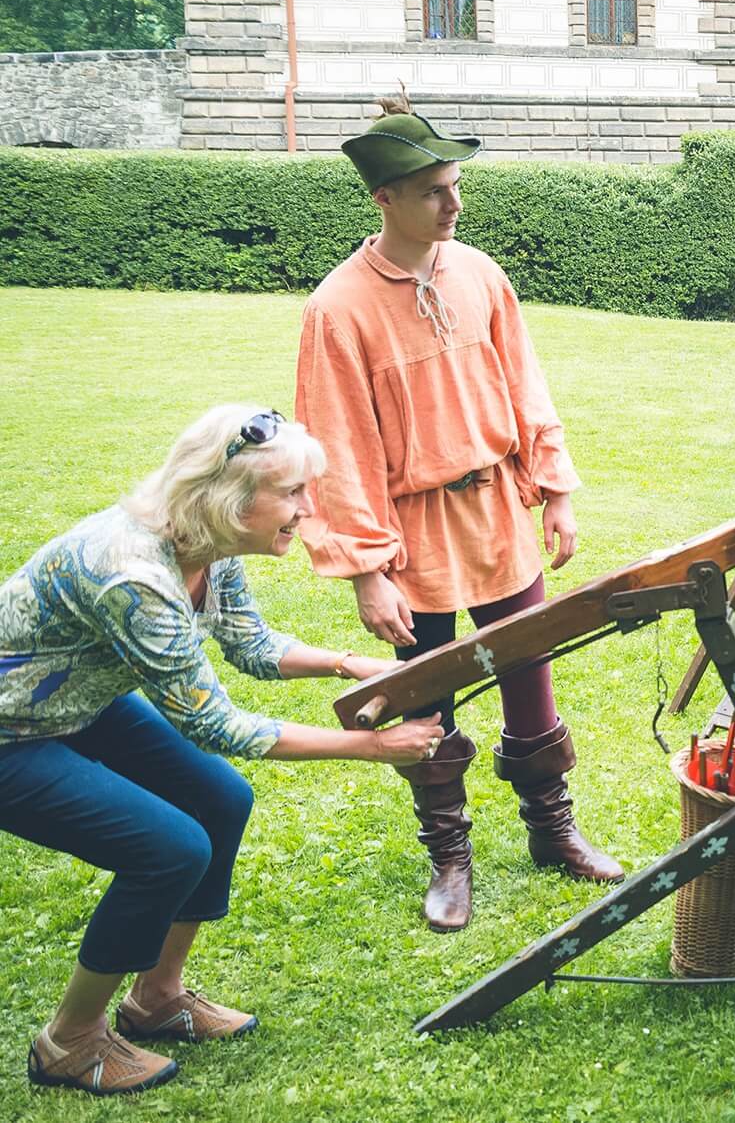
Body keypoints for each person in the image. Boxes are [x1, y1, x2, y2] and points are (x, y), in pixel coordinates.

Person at [0, 405, 441, 1096]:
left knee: (221, 799)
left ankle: (157, 999)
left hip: (72, 703)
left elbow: (252, 645)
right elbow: (217, 726)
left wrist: (349, 664)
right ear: (231, 500)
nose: (307, 508)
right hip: (10, 731)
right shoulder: (133, 576)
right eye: (292, 493)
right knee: (168, 847)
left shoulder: (208, 543)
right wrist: (371, 746)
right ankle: (69, 1041)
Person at [295, 90, 621, 934]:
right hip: (414, 536)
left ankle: (554, 832)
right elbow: (337, 445)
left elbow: (524, 383)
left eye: (455, 185)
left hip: (499, 512)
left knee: (530, 676)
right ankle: (450, 859)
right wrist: (369, 571)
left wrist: (556, 488)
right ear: (385, 200)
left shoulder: (480, 274)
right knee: (426, 698)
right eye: (436, 190)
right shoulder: (338, 308)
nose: (454, 202)